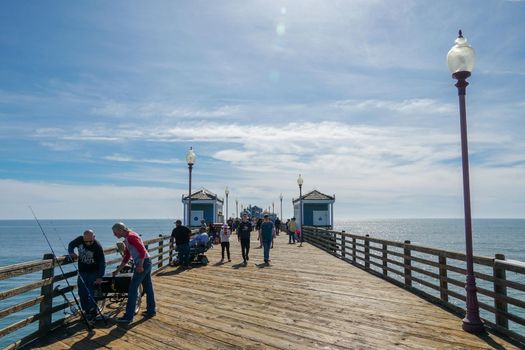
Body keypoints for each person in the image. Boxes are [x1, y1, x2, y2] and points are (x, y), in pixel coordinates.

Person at [112, 222, 156, 323]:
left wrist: (140, 265)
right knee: (148, 287)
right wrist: (118, 270)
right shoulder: (128, 238)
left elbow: (142, 251)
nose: (114, 235)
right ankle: (151, 310)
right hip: (147, 262)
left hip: (143, 263)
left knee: (132, 289)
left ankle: (128, 316)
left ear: (120, 230)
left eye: (115, 232)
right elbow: (127, 256)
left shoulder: (131, 237)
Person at [68, 229, 105, 320]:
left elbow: (102, 262)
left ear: (94, 237)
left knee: (93, 293)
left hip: (94, 272)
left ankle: (93, 311)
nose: (88, 243)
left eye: (90, 241)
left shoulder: (97, 246)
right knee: (82, 292)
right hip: (82, 272)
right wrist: (71, 252)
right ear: (83, 238)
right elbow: (71, 245)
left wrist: (100, 277)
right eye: (86, 241)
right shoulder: (79, 239)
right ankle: (86, 310)